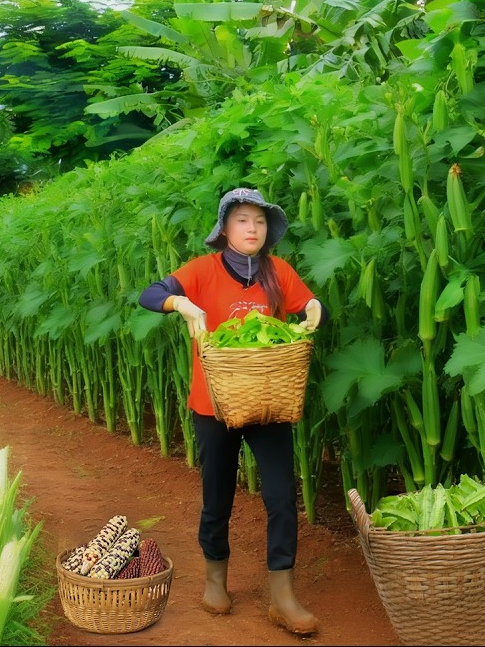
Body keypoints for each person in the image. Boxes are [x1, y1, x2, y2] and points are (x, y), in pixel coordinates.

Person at [138, 186, 327, 635]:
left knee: (281, 495)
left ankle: (282, 594)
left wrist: (314, 306)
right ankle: (215, 579)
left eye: (260, 222)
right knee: (217, 493)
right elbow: (150, 294)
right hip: (214, 403)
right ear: (224, 228)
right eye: (243, 220)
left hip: (269, 402)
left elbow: (305, 301)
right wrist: (179, 302)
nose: (253, 229)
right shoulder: (202, 271)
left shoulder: (277, 271)